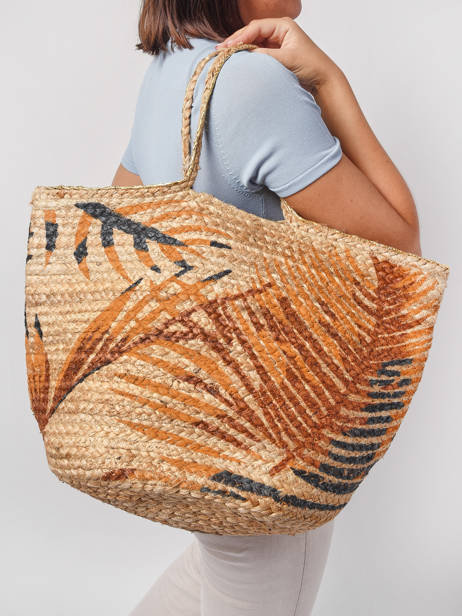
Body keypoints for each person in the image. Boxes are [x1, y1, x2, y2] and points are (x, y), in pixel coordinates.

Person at [113, 2, 422, 614]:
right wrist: (328, 81)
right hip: (267, 445)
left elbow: (125, 213)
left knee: (216, 565)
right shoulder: (251, 80)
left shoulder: (173, 67)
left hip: (189, 427)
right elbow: (400, 243)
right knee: (247, 564)